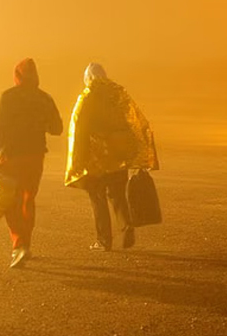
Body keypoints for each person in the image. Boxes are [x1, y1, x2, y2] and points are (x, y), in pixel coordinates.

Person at [0, 58, 63, 268]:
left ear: (17, 75)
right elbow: (57, 129)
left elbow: (0, 131)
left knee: (10, 202)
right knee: (27, 200)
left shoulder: (9, 97)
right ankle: (25, 244)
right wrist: (40, 122)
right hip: (35, 158)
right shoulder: (45, 99)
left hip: (12, 157)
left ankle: (19, 245)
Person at [65, 63, 159, 252]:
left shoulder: (87, 97)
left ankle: (103, 240)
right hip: (118, 156)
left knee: (97, 198)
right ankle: (126, 226)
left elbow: (79, 128)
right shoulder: (117, 93)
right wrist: (135, 153)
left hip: (96, 159)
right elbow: (133, 120)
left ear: (88, 78)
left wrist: (78, 158)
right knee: (117, 195)